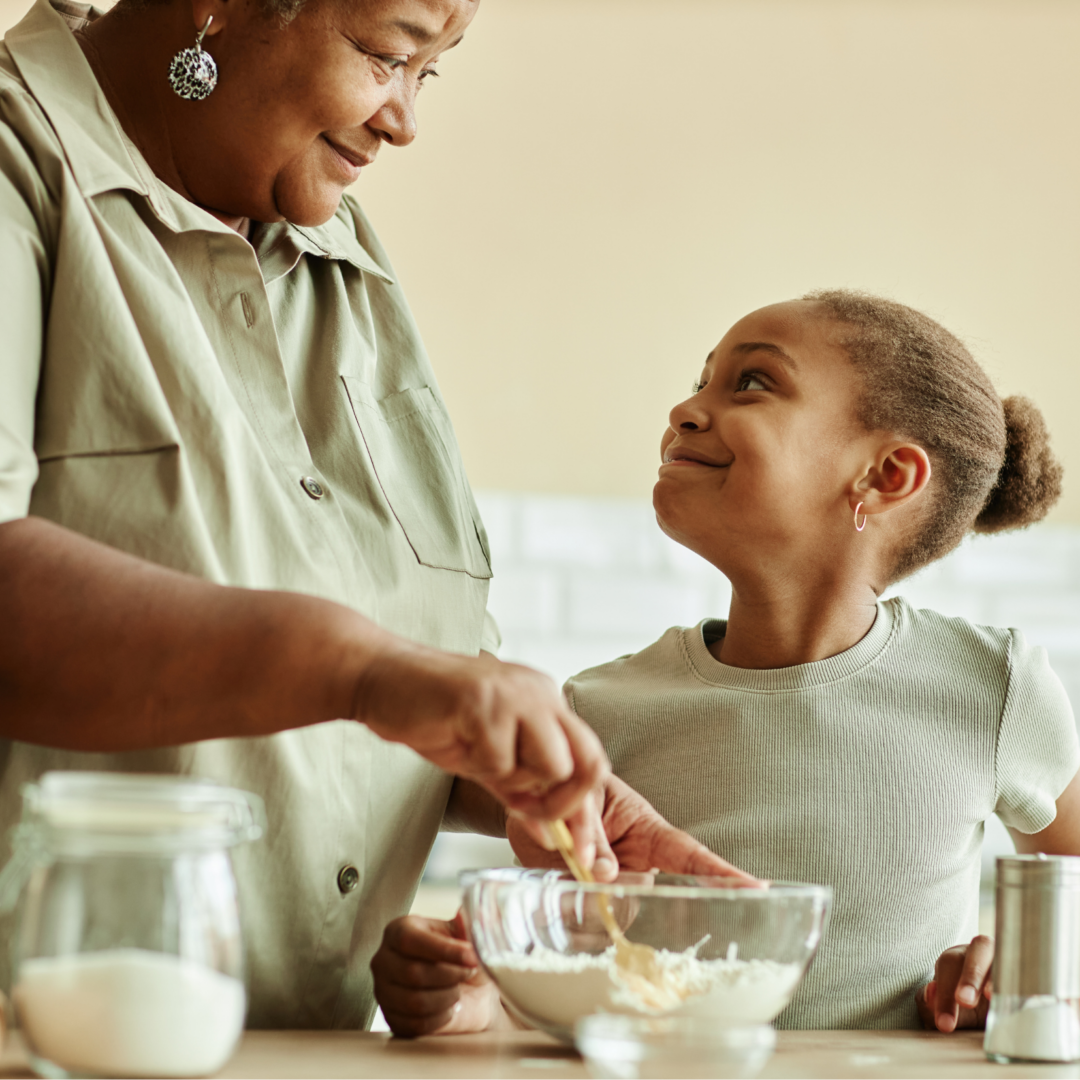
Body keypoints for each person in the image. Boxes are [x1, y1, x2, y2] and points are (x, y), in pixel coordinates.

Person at [0, 0, 735, 1029]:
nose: (404, 122)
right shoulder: (18, 167)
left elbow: (401, 671)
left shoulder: (328, 240)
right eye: (387, 55)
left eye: (432, 72)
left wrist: (541, 792)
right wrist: (369, 675)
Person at [371, 289, 1080, 1035]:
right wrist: (471, 996)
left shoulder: (992, 686)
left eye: (750, 382)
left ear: (884, 476)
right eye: (699, 379)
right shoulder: (600, 709)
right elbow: (568, 964)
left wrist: (1030, 962)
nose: (685, 408)